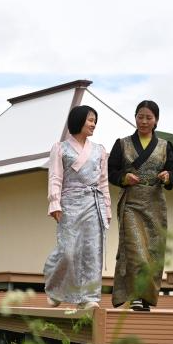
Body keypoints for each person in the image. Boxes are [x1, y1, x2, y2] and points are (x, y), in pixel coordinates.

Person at [109, 100, 173, 311]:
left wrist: (168, 176)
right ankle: (136, 296)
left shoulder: (165, 146)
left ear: (156, 120)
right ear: (135, 117)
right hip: (131, 202)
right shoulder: (122, 144)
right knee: (136, 250)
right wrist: (124, 177)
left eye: (149, 117)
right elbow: (111, 171)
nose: (144, 121)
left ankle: (147, 297)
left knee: (152, 252)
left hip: (155, 203)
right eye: (140, 116)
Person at [43, 105, 111, 310]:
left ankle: (89, 297)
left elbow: (103, 181)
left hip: (93, 202)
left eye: (95, 121)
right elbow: (55, 177)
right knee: (68, 250)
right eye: (90, 120)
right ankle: (55, 288)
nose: (93, 124)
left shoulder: (99, 150)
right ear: (78, 120)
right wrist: (54, 202)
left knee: (92, 249)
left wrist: (106, 208)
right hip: (69, 202)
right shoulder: (60, 148)